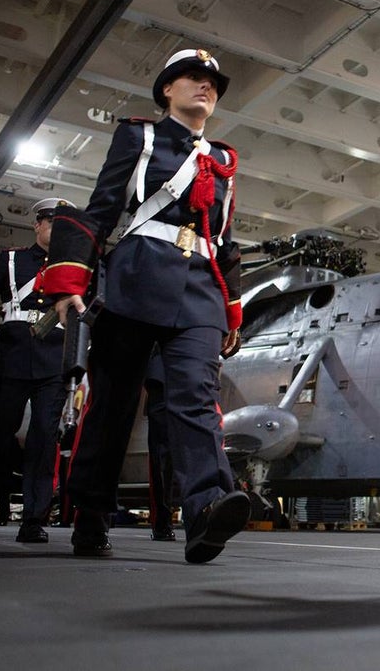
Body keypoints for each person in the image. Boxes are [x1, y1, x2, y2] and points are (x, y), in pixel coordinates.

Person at [42, 48, 249, 563]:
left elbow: (224, 240)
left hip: (199, 289)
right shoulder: (139, 137)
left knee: (197, 397)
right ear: (166, 89)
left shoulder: (223, 162)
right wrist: (72, 277)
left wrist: (232, 307)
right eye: (193, 77)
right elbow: (102, 209)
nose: (206, 87)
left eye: (212, 82)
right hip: (136, 275)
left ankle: (206, 509)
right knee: (111, 407)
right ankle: (89, 513)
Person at [0, 197, 73, 544]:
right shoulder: (11, 260)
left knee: (44, 440)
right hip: (13, 356)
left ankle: (33, 519)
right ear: (37, 224)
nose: (56, 228)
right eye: (51, 221)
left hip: (53, 359)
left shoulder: (75, 266)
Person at [143, 350, 179, 542]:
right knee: (162, 454)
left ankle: (199, 514)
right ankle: (163, 519)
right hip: (162, 368)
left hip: (193, 366)